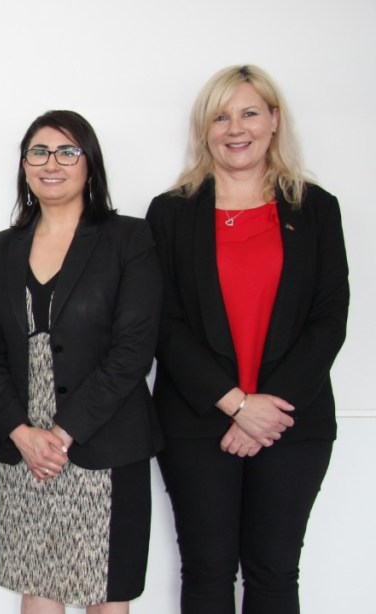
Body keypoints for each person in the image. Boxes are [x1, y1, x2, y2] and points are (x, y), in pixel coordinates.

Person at [146, 65, 349, 614]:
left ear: (274, 121)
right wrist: (236, 404)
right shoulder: (170, 213)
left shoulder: (316, 208)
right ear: (205, 129)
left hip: (293, 421)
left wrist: (266, 411)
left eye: (249, 112)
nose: (235, 128)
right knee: (208, 572)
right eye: (220, 116)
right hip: (196, 421)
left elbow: (329, 319)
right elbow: (163, 323)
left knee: (275, 573)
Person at [0, 110, 162, 614]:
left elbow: (133, 351)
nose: (51, 162)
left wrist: (60, 435)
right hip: (22, 449)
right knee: (37, 587)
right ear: (24, 166)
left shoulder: (129, 238)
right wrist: (21, 431)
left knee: (105, 593)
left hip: (102, 441)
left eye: (67, 151)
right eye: (38, 151)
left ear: (89, 164)